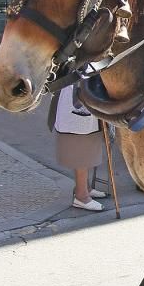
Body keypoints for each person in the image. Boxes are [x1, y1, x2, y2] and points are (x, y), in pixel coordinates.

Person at [48, 83, 107, 212]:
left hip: (85, 91)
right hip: (76, 95)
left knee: (88, 142)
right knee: (81, 146)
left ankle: (84, 188)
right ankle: (82, 196)